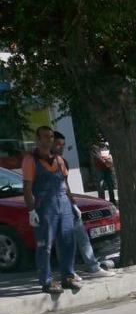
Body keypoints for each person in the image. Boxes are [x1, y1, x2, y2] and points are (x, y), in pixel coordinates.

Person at [22, 126, 81, 294]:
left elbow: (65, 184)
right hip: (45, 206)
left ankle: (68, 277)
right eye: (45, 136)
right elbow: (27, 187)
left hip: (64, 204)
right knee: (45, 245)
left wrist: (73, 204)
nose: (49, 139)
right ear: (38, 139)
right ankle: (47, 281)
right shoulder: (30, 159)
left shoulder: (59, 160)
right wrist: (31, 210)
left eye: (51, 136)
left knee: (68, 242)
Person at [53, 132, 116, 280]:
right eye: (58, 144)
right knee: (62, 240)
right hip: (53, 206)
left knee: (81, 235)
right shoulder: (43, 162)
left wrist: (73, 204)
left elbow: (65, 185)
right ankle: (68, 272)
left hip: (67, 203)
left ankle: (93, 267)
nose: (61, 148)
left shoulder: (62, 161)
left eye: (62, 145)